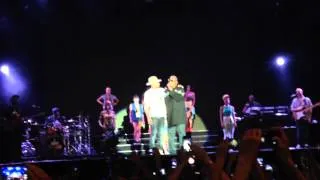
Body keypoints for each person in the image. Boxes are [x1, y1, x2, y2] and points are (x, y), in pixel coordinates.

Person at [143, 76, 168, 154]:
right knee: (156, 134)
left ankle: (163, 150)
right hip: (154, 116)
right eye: (157, 82)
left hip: (163, 115)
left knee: (163, 134)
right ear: (152, 84)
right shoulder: (148, 93)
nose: (158, 83)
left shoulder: (162, 90)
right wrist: (148, 118)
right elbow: (146, 107)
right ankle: (156, 150)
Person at [165, 75, 186, 155]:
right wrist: (169, 90)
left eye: (172, 80)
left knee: (181, 135)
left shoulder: (180, 89)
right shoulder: (165, 90)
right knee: (171, 137)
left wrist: (171, 90)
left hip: (180, 117)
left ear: (177, 82)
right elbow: (166, 100)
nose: (171, 82)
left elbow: (178, 98)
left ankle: (182, 153)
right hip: (170, 117)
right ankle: (172, 154)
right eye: (170, 80)